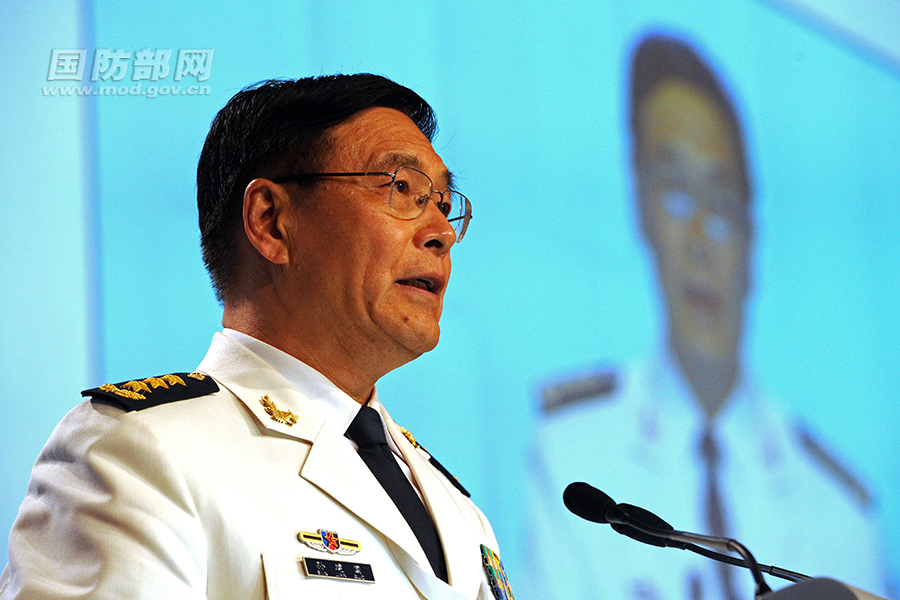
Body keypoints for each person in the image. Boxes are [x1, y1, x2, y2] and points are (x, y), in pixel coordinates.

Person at [0, 74, 514, 600]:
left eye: (442, 202)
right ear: (270, 222)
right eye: (401, 188)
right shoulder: (136, 453)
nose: (442, 232)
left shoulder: (457, 511)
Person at [526, 34, 887, 600]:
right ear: (641, 212)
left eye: (720, 203)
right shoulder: (573, 451)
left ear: (752, 237)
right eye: (675, 193)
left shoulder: (841, 510)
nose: (699, 239)